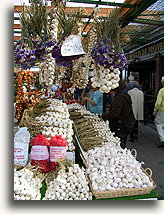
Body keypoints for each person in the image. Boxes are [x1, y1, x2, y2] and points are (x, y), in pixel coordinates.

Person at [100, 80, 133, 149]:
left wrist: (102, 115)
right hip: (124, 124)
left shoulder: (119, 99)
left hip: (119, 126)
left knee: (119, 145)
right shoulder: (125, 96)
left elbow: (114, 114)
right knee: (122, 143)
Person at [153, 77, 164, 148]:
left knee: (158, 123)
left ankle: (163, 139)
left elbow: (158, 103)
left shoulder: (162, 90)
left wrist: (155, 110)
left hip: (162, 110)